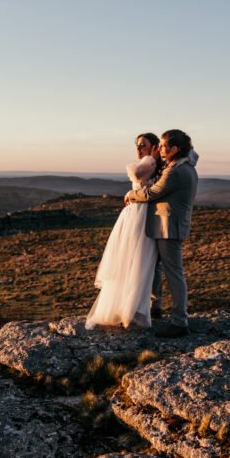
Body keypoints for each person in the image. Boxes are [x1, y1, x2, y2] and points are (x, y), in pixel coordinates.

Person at [124, 129, 198, 338]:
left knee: (174, 273)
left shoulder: (175, 171)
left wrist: (131, 194)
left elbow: (152, 193)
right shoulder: (186, 165)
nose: (160, 150)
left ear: (176, 149)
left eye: (165, 146)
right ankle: (156, 307)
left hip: (169, 228)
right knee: (157, 268)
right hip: (167, 225)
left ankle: (179, 321)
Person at [84, 134, 162, 329]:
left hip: (145, 217)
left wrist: (151, 158)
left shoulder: (153, 164)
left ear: (154, 147)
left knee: (142, 262)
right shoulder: (150, 164)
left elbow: (135, 174)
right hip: (134, 216)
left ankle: (139, 308)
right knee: (126, 260)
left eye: (143, 145)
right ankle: (125, 307)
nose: (138, 149)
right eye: (136, 145)